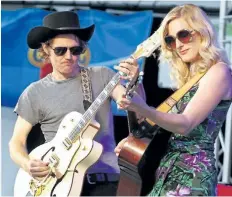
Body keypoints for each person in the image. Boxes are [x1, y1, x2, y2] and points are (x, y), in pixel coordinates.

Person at [9, 11, 145, 196]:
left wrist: (134, 81)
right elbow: (16, 142)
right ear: (46, 49)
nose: (69, 56)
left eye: (75, 50)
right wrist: (27, 164)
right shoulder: (34, 92)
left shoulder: (102, 75)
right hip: (58, 185)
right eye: (60, 50)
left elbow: (135, 107)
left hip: (103, 184)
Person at [114, 4, 232, 196]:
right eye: (170, 40)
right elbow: (148, 125)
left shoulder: (219, 71)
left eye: (184, 35)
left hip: (192, 176)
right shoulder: (191, 80)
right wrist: (136, 83)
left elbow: (185, 124)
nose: (178, 44)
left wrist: (142, 107)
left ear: (202, 32)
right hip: (166, 172)